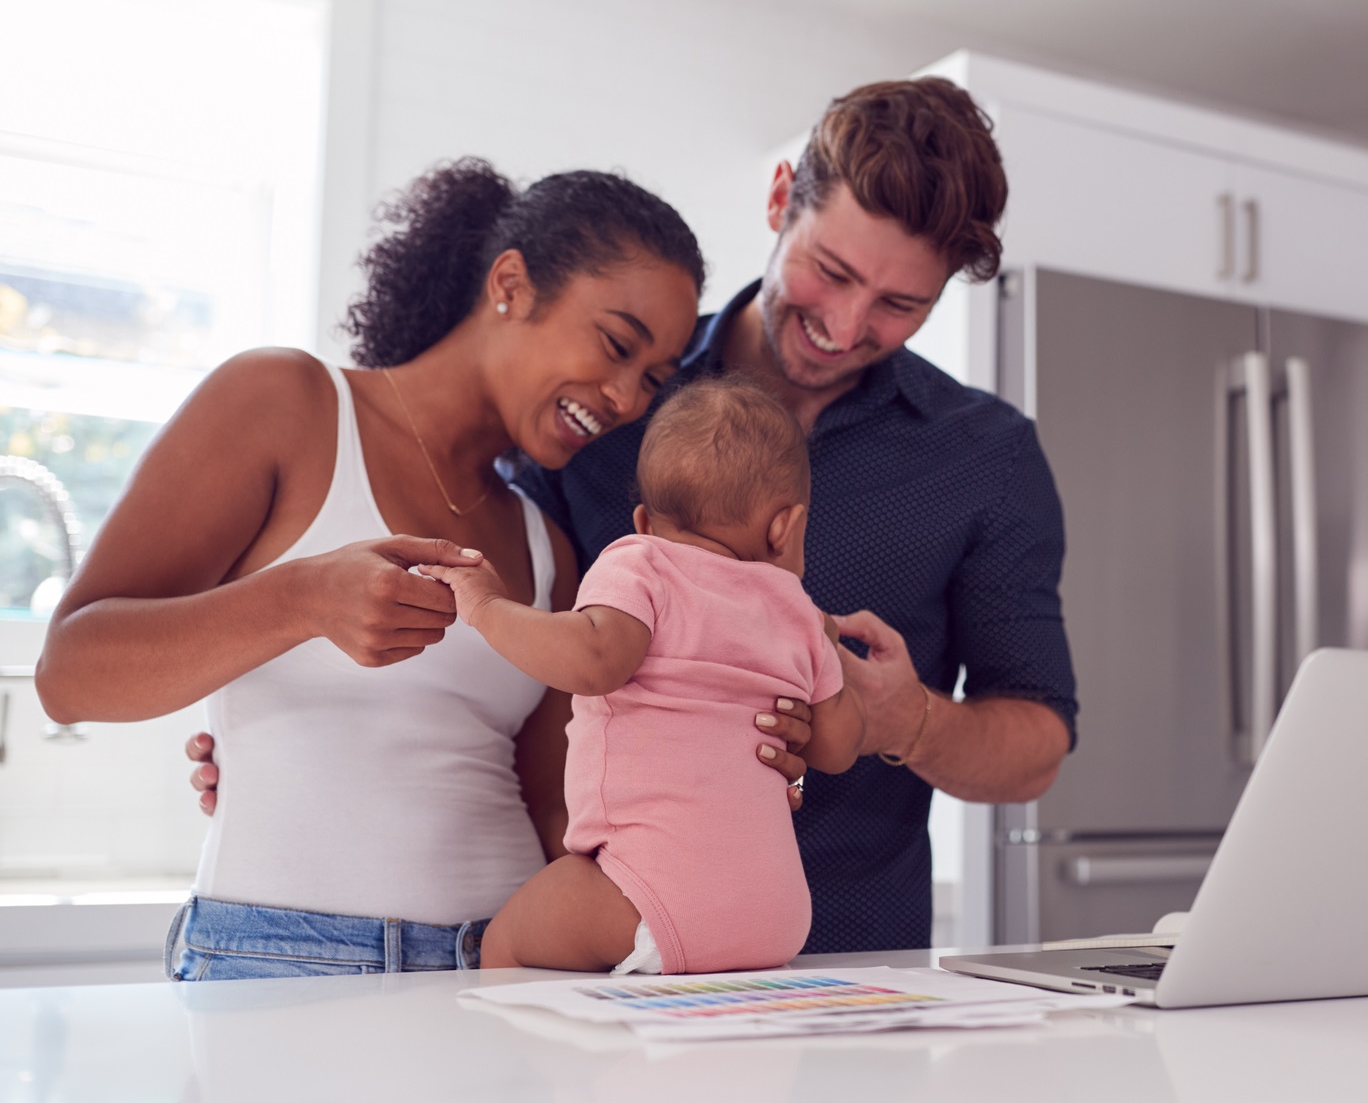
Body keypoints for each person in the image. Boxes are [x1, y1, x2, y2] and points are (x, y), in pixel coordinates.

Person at [36, 160, 813, 979]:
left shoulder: (551, 547)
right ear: (510, 283)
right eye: (617, 344)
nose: (625, 396)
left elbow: (564, 808)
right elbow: (70, 674)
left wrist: (716, 774)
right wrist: (303, 599)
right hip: (282, 960)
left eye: (654, 378)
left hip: (502, 972)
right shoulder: (287, 405)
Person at [512, 77, 1080, 953]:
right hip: (606, 956)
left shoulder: (985, 458)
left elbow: (1037, 742)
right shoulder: (613, 393)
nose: (847, 326)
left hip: (854, 967)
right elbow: (487, 626)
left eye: (901, 305)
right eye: (832, 271)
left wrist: (906, 721)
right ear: (781, 199)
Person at [435, 376, 863, 975]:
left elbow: (594, 659)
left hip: (650, 895)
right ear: (784, 526)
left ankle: (528, 1067)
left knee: (505, 942)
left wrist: (485, 608)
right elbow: (839, 748)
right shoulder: (799, 613)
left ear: (642, 520)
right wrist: (829, 654)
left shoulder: (642, 562)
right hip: (777, 919)